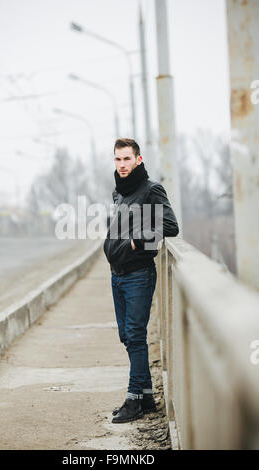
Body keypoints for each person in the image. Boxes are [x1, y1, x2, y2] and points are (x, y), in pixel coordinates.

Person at [103, 138, 179, 424]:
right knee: (127, 335)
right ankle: (146, 396)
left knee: (135, 335)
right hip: (118, 275)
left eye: (126, 159)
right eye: (117, 159)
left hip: (138, 275)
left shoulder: (151, 189)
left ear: (138, 159)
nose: (122, 165)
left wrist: (136, 242)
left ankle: (134, 399)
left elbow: (170, 225)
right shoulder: (118, 193)